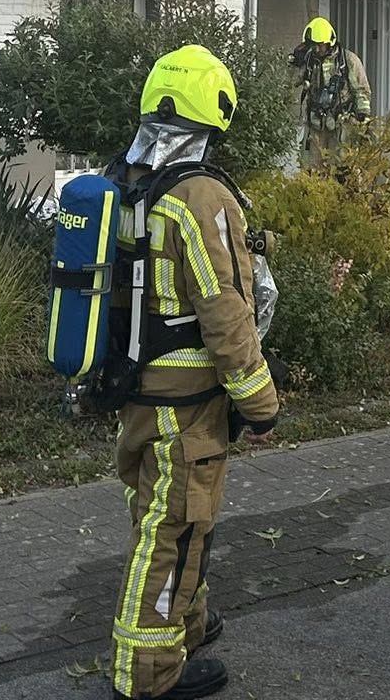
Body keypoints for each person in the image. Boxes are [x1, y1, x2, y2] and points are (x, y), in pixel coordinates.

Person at [108, 45, 280, 700]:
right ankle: (147, 673)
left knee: (171, 516)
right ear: (214, 113)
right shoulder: (201, 195)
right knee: (174, 526)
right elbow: (224, 309)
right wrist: (260, 401)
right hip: (185, 403)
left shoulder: (125, 180)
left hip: (136, 391)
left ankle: (187, 623)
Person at [288, 16, 372, 167]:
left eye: (321, 45)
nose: (317, 49)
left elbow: (362, 91)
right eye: (314, 46)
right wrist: (295, 63)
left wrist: (362, 116)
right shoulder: (308, 61)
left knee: (341, 168)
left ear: (330, 42)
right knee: (311, 170)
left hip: (342, 126)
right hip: (315, 126)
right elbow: (289, 82)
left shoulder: (348, 61)